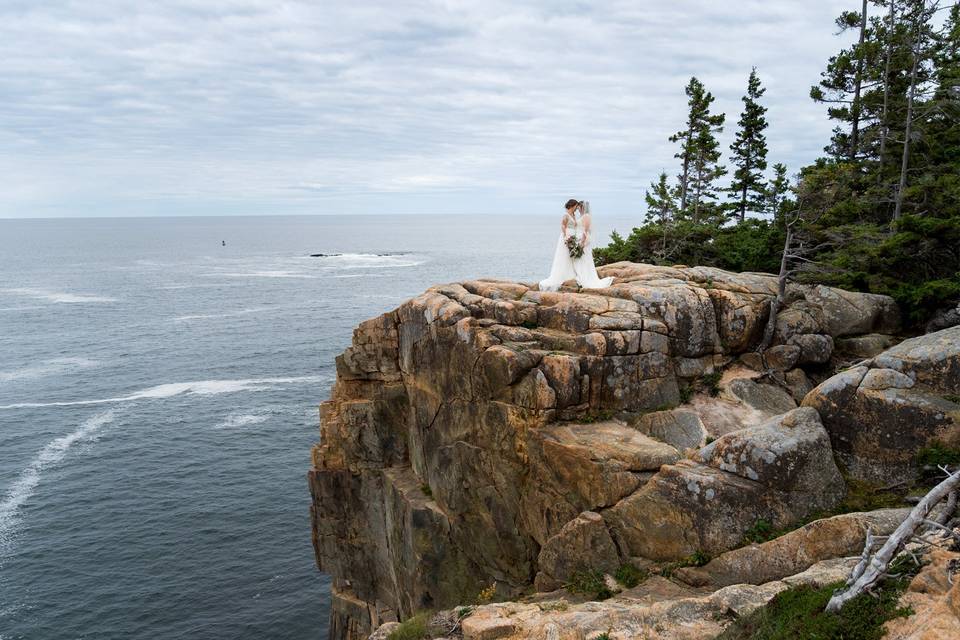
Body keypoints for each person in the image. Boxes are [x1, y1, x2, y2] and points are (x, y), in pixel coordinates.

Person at [539, 198, 614, 291]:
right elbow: (563, 225)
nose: (577, 209)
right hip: (569, 238)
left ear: (581, 207)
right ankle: (565, 275)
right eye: (576, 207)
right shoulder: (569, 215)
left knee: (576, 257)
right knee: (566, 257)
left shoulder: (584, 216)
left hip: (577, 239)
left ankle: (579, 275)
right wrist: (566, 236)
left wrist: (582, 241)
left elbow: (586, 230)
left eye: (578, 207)